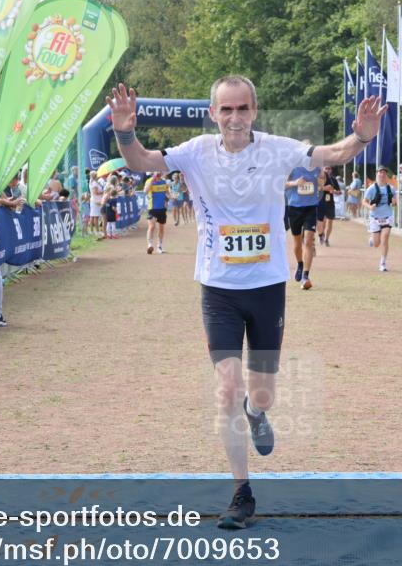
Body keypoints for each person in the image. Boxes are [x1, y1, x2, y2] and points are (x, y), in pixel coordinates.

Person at [106, 77, 386, 529]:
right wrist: (124, 131)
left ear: (254, 111)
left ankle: (257, 415)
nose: (234, 118)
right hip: (218, 288)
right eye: (226, 110)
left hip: (267, 286)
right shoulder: (196, 152)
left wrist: (363, 135)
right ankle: (241, 492)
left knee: (260, 394)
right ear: (213, 114)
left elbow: (333, 154)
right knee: (227, 389)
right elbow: (140, 161)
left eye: (242, 109)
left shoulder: (276, 148)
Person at [284, 158, 321, 290]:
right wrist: (295, 182)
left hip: (311, 208)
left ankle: (306, 275)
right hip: (294, 208)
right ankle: (300, 263)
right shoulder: (292, 168)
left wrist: (321, 181)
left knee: (309, 240)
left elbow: (323, 182)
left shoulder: (317, 168)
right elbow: (282, 184)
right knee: (297, 243)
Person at [363, 167, 397, 272]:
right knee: (377, 243)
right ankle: (373, 239)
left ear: (386, 176)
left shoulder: (391, 188)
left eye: (384, 173)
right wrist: (370, 207)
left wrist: (394, 202)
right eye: (380, 173)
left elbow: (395, 202)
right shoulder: (372, 188)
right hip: (375, 217)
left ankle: (383, 263)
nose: (382, 175)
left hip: (387, 216)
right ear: (377, 174)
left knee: (385, 237)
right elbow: (364, 201)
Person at [143, 170, 169, 253]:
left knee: (161, 228)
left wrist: (170, 197)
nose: (158, 173)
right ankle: (150, 245)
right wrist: (152, 180)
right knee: (152, 226)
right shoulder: (149, 181)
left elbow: (167, 194)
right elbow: (145, 191)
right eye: (156, 172)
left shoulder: (164, 182)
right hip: (152, 208)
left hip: (162, 208)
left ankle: (160, 246)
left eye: (159, 172)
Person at [316, 165, 340, 246]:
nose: (327, 170)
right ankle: (321, 235)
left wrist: (334, 192)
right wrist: (324, 188)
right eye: (326, 168)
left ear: (331, 170)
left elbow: (339, 191)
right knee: (321, 222)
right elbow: (316, 188)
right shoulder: (319, 178)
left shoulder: (333, 180)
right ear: (323, 169)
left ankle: (326, 239)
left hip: (330, 203)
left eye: (329, 168)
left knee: (330, 222)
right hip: (320, 202)